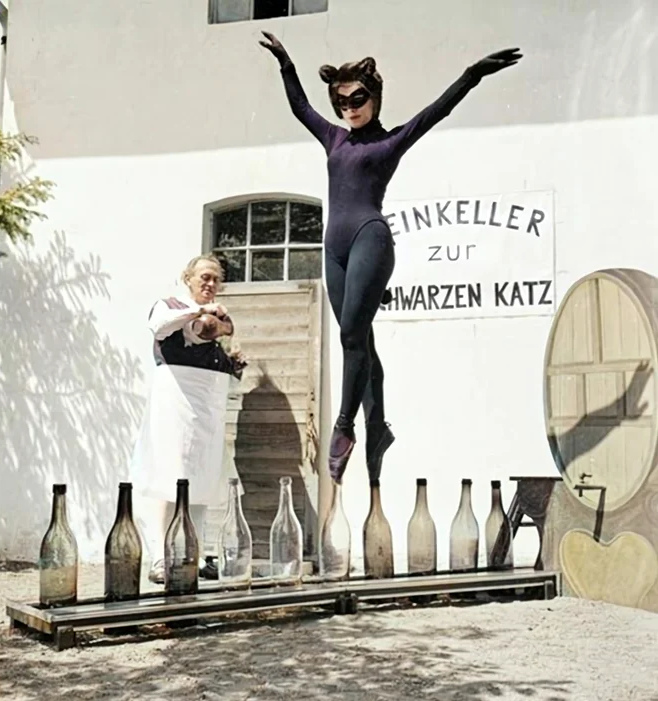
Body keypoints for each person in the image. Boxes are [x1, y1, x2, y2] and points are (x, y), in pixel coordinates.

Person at [259, 32, 522, 484]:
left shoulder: (390, 143)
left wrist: (472, 75)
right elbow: (301, 108)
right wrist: (285, 62)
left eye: (358, 99)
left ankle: (345, 426)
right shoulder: (334, 139)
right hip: (334, 246)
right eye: (342, 102)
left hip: (370, 238)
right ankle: (377, 427)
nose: (350, 109)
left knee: (350, 336)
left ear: (375, 97)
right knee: (361, 341)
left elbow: (436, 112)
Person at [128, 254, 247, 584]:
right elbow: (162, 327)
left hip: (207, 404)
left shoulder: (218, 313)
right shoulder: (168, 306)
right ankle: (159, 557)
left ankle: (193, 555)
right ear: (188, 277)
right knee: (168, 475)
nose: (210, 283)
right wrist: (198, 312)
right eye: (204, 277)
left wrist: (230, 356)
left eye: (216, 279)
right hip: (174, 399)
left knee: (203, 477)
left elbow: (218, 332)